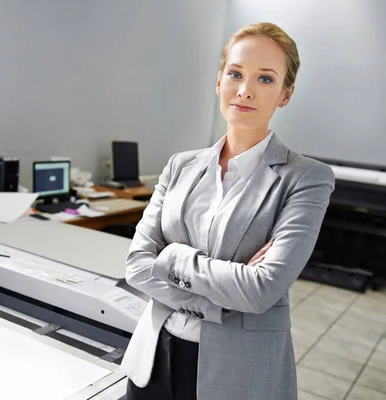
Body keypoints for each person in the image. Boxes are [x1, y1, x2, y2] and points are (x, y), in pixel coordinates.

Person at [121, 22, 335, 400]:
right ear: (219, 81)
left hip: (237, 375)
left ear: (285, 94)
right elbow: (137, 266)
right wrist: (223, 295)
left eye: (265, 79)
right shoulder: (179, 165)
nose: (245, 89)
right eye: (235, 73)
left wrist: (170, 258)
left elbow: (260, 290)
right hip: (154, 359)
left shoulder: (306, 178)